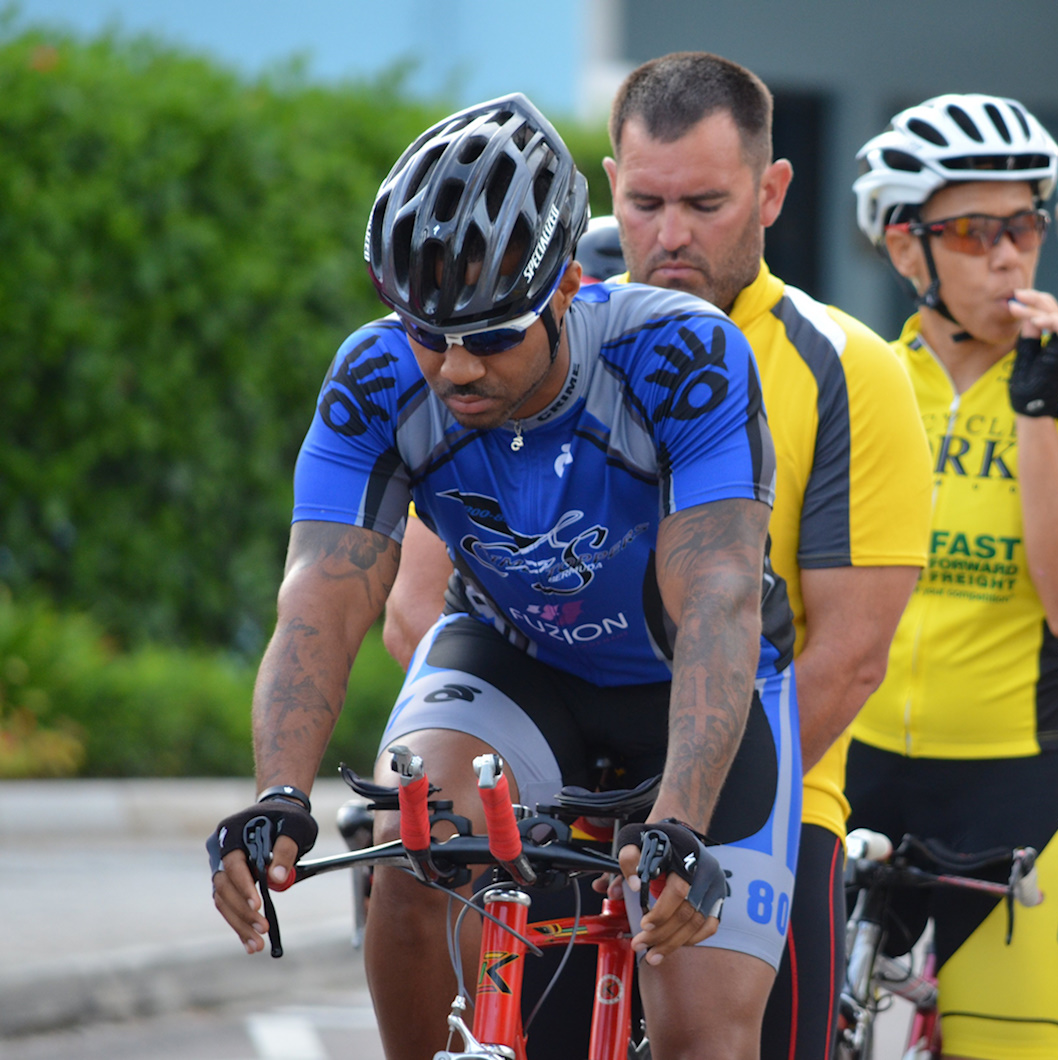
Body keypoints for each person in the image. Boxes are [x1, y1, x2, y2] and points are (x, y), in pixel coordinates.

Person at [209, 92, 802, 1060]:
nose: (452, 369)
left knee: (703, 1031)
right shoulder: (375, 376)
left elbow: (720, 594)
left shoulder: (679, 354)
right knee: (411, 862)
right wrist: (278, 795)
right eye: (424, 331)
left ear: (566, 286)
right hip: (513, 661)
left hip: (692, 681)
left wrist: (680, 822)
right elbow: (323, 593)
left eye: (489, 335)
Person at [380, 53, 932, 1060]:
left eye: (707, 203)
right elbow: (419, 610)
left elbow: (849, 652)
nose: (670, 235)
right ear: (606, 185)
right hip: (552, 781)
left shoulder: (850, 367)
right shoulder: (525, 336)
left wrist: (679, 797)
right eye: (645, 201)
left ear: (770, 192)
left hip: (756, 777)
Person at [847, 94, 1058, 1060]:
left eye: (1024, 226)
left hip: (1026, 790)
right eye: (975, 232)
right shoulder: (856, 380)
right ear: (906, 249)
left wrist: (1036, 409)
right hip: (851, 777)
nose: (1011, 255)